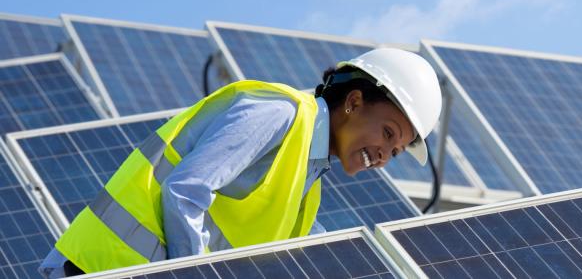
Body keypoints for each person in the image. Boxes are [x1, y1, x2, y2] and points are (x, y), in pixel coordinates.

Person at [39, 48, 443, 277]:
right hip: (98, 267)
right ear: (354, 102)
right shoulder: (279, 113)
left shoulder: (308, 185)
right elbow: (185, 191)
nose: (383, 157)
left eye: (395, 152)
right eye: (388, 133)